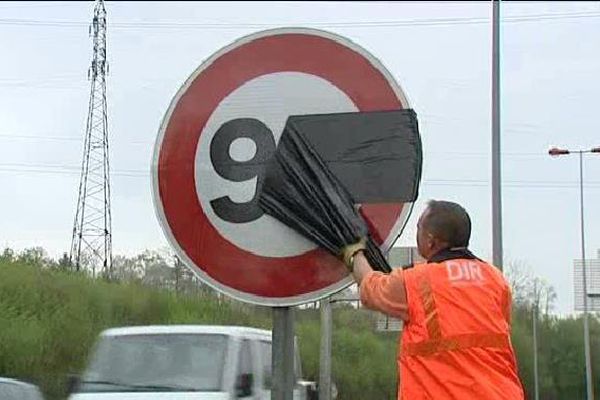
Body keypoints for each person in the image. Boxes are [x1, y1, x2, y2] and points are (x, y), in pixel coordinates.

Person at [341, 200, 525, 400]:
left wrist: (354, 253)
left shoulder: (416, 280)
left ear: (431, 241)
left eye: (419, 227)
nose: (416, 232)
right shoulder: (495, 279)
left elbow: (371, 287)